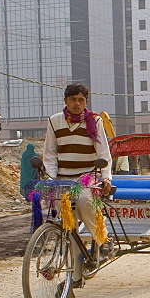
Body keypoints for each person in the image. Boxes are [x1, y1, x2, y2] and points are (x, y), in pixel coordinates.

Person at [42, 83, 113, 272]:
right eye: (73, 99)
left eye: (81, 100)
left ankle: (102, 239)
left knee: (83, 201)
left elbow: (104, 153)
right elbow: (50, 154)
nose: (77, 103)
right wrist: (50, 180)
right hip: (62, 179)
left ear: (86, 102)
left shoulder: (95, 121)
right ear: (65, 101)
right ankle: (75, 271)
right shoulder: (54, 121)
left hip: (86, 177)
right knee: (67, 221)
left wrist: (106, 177)